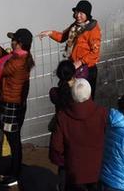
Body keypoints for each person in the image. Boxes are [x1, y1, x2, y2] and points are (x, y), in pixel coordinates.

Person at [0, 28, 35, 187]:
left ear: (19, 44)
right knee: (12, 136)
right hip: (13, 102)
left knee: (13, 138)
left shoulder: (17, 62)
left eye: (13, 40)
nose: (11, 41)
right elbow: (6, 58)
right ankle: (14, 168)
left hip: (11, 104)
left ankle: (15, 174)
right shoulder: (22, 56)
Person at [49, 79, 108, 191]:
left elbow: (56, 147)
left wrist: (65, 162)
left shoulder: (63, 117)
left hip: (73, 173)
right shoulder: (102, 113)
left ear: (73, 95)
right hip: (98, 171)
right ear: (90, 92)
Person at [40, 0, 102, 98]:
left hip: (87, 70)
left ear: (87, 15)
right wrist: (50, 33)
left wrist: (81, 62)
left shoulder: (92, 29)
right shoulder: (75, 26)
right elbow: (63, 37)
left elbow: (95, 53)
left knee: (85, 98)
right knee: (74, 97)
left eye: (81, 13)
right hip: (75, 67)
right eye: (77, 12)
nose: (78, 15)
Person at [49, 60, 77, 191]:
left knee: (63, 168)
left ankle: (62, 187)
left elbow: (55, 92)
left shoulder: (55, 93)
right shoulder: (77, 94)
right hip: (75, 135)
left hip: (61, 135)